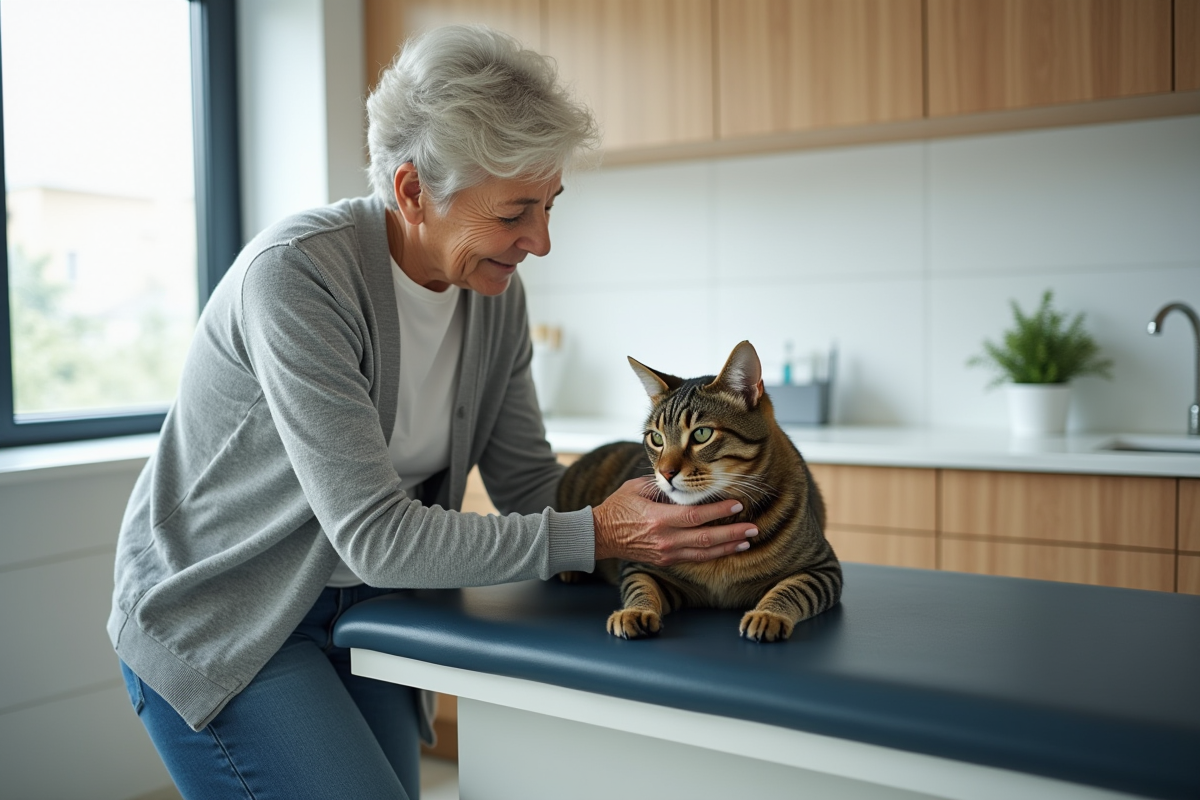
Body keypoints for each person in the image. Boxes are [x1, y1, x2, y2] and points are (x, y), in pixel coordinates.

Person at [109, 24, 758, 800]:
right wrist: (600, 531)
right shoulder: (297, 279)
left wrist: (667, 509)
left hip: (367, 604)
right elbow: (377, 536)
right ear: (414, 191)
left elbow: (526, 484)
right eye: (517, 212)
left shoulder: (494, 295)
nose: (541, 242)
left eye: (551, 205)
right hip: (228, 614)